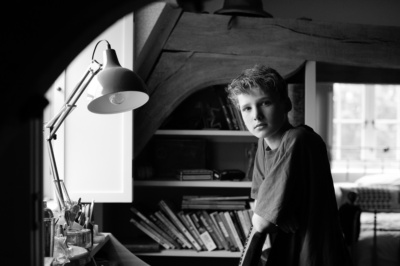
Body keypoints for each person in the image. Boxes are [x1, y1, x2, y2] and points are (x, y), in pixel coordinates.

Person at [226, 65, 352, 266]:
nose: (256, 115)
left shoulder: (298, 139)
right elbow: (259, 206)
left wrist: (275, 214)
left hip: (315, 255)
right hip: (288, 251)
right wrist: (276, 214)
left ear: (286, 104)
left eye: (265, 103)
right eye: (247, 108)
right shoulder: (263, 142)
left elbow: (261, 221)